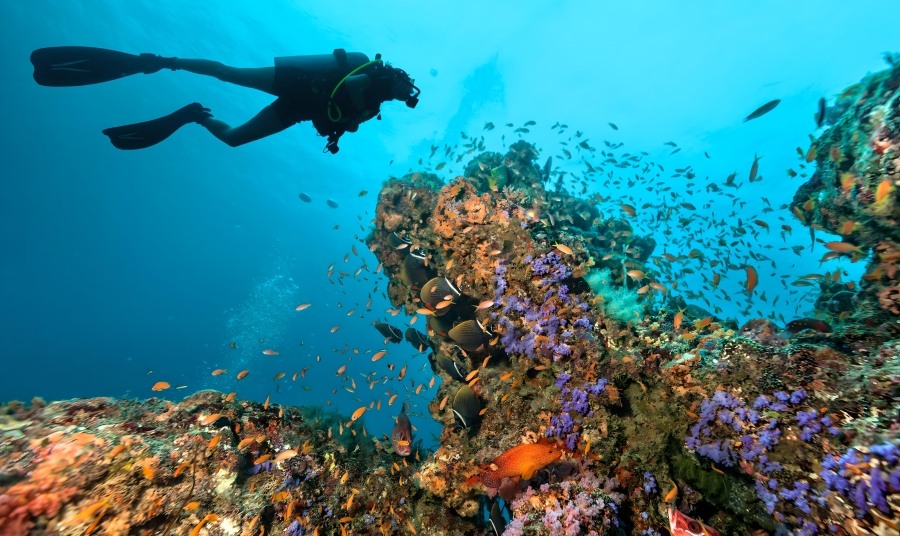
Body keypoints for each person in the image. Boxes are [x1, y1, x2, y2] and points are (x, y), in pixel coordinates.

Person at [30, 46, 420, 153]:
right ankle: (163, 62)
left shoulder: (376, 106)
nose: (406, 96)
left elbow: (343, 121)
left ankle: (196, 115)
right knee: (227, 72)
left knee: (234, 138)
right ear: (402, 79)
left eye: (407, 96)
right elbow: (352, 87)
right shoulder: (379, 76)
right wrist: (358, 110)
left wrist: (350, 122)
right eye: (408, 89)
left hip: (300, 108)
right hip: (300, 82)